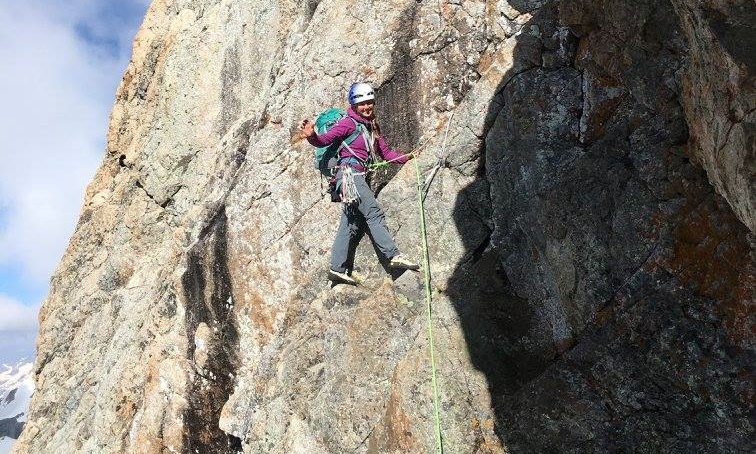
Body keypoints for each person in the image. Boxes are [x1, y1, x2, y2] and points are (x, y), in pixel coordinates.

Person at [300, 82, 419, 285]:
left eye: (369, 103)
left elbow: (386, 153)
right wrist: (312, 137)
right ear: (354, 105)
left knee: (350, 223)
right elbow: (325, 140)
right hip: (350, 175)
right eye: (362, 104)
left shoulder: (371, 126)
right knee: (373, 213)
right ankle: (393, 255)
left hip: (353, 178)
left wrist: (408, 157)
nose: (367, 107)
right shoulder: (347, 123)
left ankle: (336, 269)